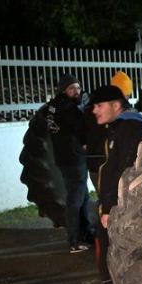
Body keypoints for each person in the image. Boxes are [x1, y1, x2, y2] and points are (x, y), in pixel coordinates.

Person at [86, 85, 142, 284]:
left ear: (115, 104)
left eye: (98, 105)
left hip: (118, 209)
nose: (93, 110)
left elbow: (125, 170)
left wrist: (110, 207)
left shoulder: (129, 128)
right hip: (114, 206)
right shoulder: (120, 127)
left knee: (110, 263)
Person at [48, 74, 92, 253]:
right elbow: (81, 130)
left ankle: (86, 233)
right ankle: (74, 240)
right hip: (74, 159)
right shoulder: (70, 108)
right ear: (63, 90)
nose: (77, 91)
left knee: (83, 196)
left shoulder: (53, 106)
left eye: (78, 87)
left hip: (64, 159)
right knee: (75, 199)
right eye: (72, 88)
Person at [83, 71, 134, 188]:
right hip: (106, 165)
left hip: (99, 165)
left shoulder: (93, 109)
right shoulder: (112, 112)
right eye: (125, 95)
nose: (126, 98)